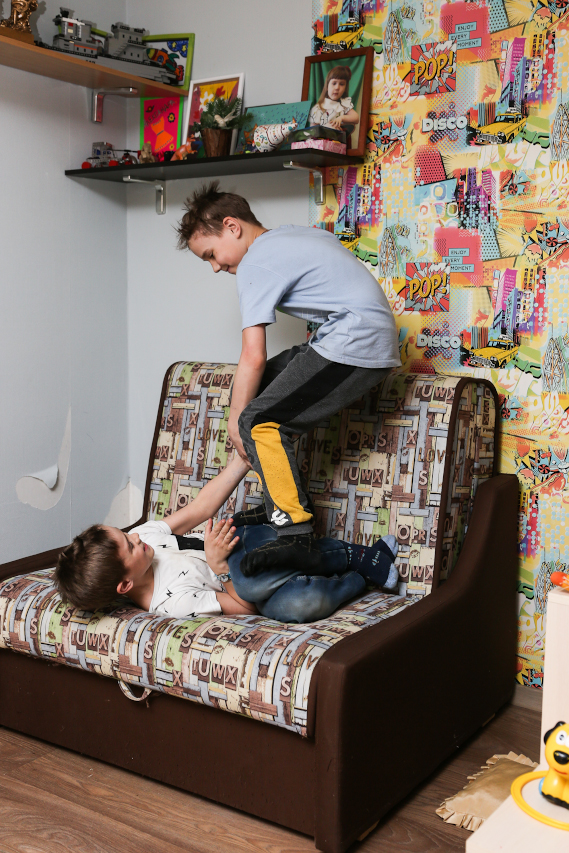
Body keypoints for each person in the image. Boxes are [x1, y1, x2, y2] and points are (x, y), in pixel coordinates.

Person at [177, 182, 401, 578]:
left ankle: (296, 532)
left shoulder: (255, 263)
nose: (215, 267)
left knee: (256, 419)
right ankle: (277, 504)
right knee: (263, 390)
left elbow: (253, 354)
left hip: (356, 342)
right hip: (359, 336)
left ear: (232, 226)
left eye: (211, 254)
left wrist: (236, 421)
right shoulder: (290, 236)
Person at [54, 458, 400, 624]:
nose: (135, 536)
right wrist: (218, 567)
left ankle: (350, 554)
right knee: (297, 606)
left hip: (245, 542)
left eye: (125, 533)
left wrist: (241, 461)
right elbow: (247, 607)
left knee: (249, 575)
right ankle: (359, 577)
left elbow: (201, 509)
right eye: (129, 546)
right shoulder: (171, 603)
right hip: (243, 583)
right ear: (125, 584)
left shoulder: (146, 536)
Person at [308, 65, 359, 132]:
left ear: (345, 88)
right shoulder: (318, 108)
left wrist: (341, 118)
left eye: (341, 84)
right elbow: (312, 131)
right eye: (334, 83)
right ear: (327, 86)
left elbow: (356, 118)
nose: (337, 88)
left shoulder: (344, 104)